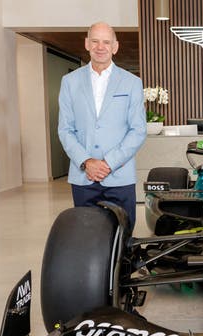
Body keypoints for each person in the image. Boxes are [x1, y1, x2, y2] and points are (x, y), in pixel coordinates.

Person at [58, 22, 146, 229]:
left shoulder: (132, 82)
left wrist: (108, 163)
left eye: (106, 42)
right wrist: (87, 162)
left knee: (123, 238)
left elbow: (138, 130)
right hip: (83, 176)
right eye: (95, 41)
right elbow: (65, 129)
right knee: (85, 237)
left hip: (119, 176)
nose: (100, 47)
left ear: (115, 47)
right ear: (87, 44)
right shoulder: (70, 82)